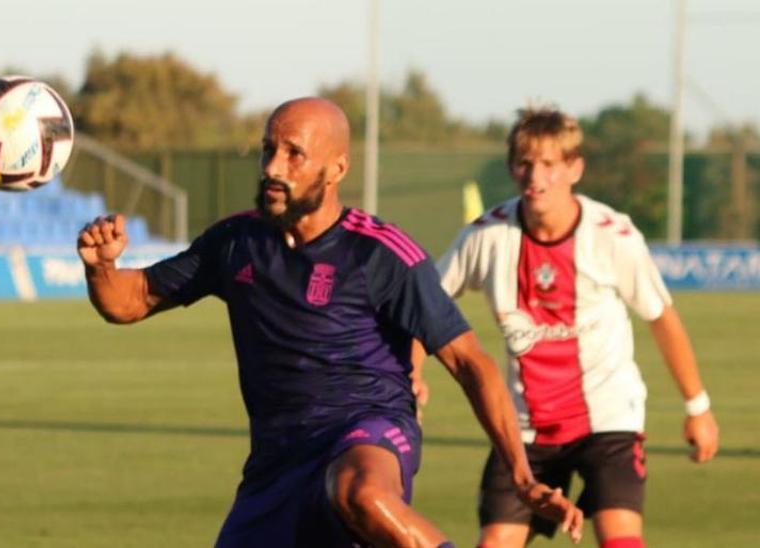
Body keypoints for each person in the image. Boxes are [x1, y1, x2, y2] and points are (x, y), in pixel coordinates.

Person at [77, 97, 583, 547]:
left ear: (336, 168)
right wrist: (101, 267)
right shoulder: (236, 243)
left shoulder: (382, 253)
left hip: (368, 430)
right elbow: (131, 300)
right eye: (267, 149)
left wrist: (520, 474)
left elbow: (469, 360)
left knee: (358, 492)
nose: (274, 166)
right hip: (276, 463)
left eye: (294, 153)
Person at [419, 106, 720, 548]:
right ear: (511, 167)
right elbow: (425, 305)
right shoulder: (486, 236)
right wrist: (412, 374)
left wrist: (698, 407)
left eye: (549, 165)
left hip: (608, 418)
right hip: (522, 428)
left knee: (621, 538)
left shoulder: (612, 236)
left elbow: (661, 316)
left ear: (574, 168)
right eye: (524, 163)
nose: (535, 176)